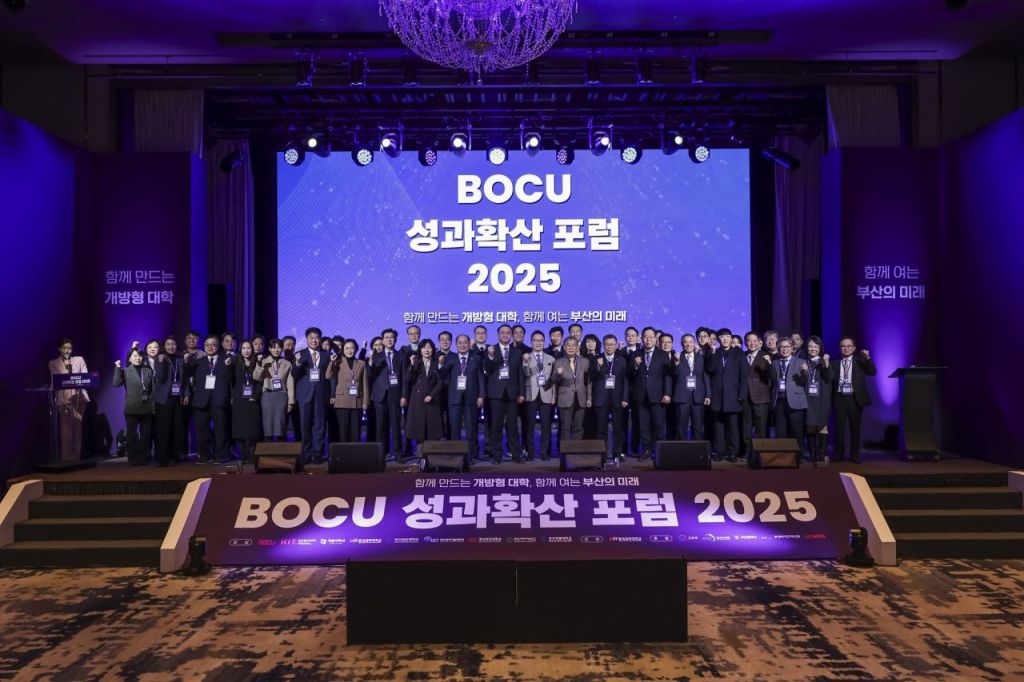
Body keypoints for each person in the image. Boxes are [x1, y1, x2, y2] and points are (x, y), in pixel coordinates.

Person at [482, 324, 525, 464]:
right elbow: (488, 370)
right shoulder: (491, 349)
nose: (505, 335)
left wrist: (522, 392)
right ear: (498, 334)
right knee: (496, 426)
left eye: (508, 333)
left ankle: (516, 455)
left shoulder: (517, 352)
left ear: (511, 335)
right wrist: (490, 356)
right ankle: (497, 456)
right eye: (502, 332)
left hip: (512, 393)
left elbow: (520, 374)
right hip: (496, 393)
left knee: (513, 426)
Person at [627, 327, 672, 459]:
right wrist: (635, 366)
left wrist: (667, 393)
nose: (648, 340)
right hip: (641, 395)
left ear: (655, 339)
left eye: (651, 337)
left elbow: (667, 376)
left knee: (659, 425)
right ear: (641, 338)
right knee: (643, 425)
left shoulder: (663, 354)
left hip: (658, 395)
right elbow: (629, 375)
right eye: (646, 337)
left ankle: (660, 452)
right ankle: (646, 450)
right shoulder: (635, 354)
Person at [705, 328, 748, 462]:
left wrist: (742, 394)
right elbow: (710, 369)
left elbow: (744, 375)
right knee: (718, 427)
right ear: (718, 339)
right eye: (722, 337)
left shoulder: (739, 353)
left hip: (733, 396)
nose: (725, 339)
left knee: (733, 428)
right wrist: (712, 354)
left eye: (727, 337)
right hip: (717, 396)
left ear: (731, 338)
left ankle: (733, 452)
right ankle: (719, 452)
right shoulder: (714, 352)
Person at [190, 334, 233, 463]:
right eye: (207, 345)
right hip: (201, 400)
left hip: (219, 399)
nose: (210, 347)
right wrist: (186, 362)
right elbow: (186, 374)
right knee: (202, 430)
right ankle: (204, 455)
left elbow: (231, 380)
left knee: (220, 429)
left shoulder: (227, 360)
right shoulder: (198, 362)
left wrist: (229, 366)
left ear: (218, 346)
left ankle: (219, 455)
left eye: (213, 344)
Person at [292, 326, 332, 464]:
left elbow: (330, 376)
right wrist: (297, 363)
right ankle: (306, 453)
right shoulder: (300, 354)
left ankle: (317, 453)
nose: (314, 340)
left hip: (321, 394)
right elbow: (294, 374)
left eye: (317, 338)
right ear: (307, 339)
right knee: (305, 425)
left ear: (320, 339)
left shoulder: (327, 354)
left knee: (320, 425)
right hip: (304, 395)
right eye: (311, 338)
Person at [443, 334, 486, 461]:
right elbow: (444, 378)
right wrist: (441, 366)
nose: (462, 345)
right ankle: (454, 455)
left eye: (465, 342)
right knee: (454, 429)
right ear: (456, 344)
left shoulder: (476, 358)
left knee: (471, 429)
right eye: (460, 343)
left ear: (469, 344)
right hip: (454, 399)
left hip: (471, 398)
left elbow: (480, 378)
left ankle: (471, 455)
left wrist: (481, 395)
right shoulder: (450, 358)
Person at [833, 337, 876, 464]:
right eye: (843, 346)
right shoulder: (834, 364)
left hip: (854, 399)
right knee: (839, 429)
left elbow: (872, 372)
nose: (846, 348)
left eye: (849, 346)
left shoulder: (860, 362)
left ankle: (854, 455)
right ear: (840, 348)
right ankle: (838, 454)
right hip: (839, 398)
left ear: (854, 348)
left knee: (855, 429)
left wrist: (867, 358)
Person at [49, 338, 90, 462]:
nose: (67, 350)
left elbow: (85, 377)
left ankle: (76, 459)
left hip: (79, 398)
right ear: (59, 349)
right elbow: (57, 381)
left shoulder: (79, 359)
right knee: (66, 431)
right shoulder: (53, 363)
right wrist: (68, 371)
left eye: (69, 348)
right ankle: (67, 459)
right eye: (64, 348)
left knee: (77, 429)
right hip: (64, 400)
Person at [113, 346, 154, 466]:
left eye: (140, 356)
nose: (138, 358)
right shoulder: (125, 371)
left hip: (147, 407)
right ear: (130, 359)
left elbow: (152, 389)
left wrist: (153, 405)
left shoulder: (147, 371)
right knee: (132, 435)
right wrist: (117, 368)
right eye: (135, 356)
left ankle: (143, 457)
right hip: (132, 408)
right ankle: (132, 458)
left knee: (145, 435)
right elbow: (116, 383)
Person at [403, 339, 446, 451]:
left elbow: (441, 382)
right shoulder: (416, 362)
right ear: (420, 350)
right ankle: (421, 456)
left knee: (433, 430)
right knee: (419, 430)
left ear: (433, 349)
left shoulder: (437, 363)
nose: (426, 350)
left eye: (429, 347)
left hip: (433, 400)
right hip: (417, 400)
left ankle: (433, 455)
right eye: (424, 348)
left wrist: (431, 395)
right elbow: (408, 379)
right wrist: (412, 365)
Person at [370, 328, 406, 460]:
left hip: (395, 394)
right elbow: (370, 375)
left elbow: (404, 377)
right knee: (380, 426)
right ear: (382, 340)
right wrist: (370, 364)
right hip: (379, 395)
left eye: (391, 337)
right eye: (386, 337)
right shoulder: (376, 356)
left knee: (396, 425)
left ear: (395, 339)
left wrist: (404, 395)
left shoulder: (401, 356)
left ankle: (398, 453)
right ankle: (381, 453)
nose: (389, 340)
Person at [591, 334, 629, 461]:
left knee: (618, 428)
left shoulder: (622, 360)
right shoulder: (596, 359)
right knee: (601, 429)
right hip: (601, 398)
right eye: (607, 344)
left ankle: (617, 453)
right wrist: (599, 367)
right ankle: (602, 454)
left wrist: (625, 398)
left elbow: (625, 380)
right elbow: (592, 378)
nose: (609, 347)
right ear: (603, 345)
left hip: (617, 398)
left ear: (616, 345)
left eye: (612, 344)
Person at [520, 331, 556, 461]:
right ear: (531, 342)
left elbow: (553, 380)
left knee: (546, 426)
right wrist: (525, 362)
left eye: (540, 340)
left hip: (546, 394)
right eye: (535, 340)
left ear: (544, 342)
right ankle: (530, 453)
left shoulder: (551, 359)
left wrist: (554, 396)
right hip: (531, 394)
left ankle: (544, 453)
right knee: (529, 426)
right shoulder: (526, 357)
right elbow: (525, 374)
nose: (538, 343)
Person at [152, 336, 186, 466]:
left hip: (177, 397)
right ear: (164, 346)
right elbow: (160, 378)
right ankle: (162, 457)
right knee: (163, 428)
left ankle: (175, 456)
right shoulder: (159, 358)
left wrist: (186, 394)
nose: (171, 346)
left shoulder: (180, 360)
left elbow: (184, 379)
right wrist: (161, 363)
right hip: (163, 398)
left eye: (173, 344)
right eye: (168, 344)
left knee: (176, 428)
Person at [328, 339, 369, 443]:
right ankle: (343, 452)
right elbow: (328, 375)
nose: (349, 351)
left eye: (352, 348)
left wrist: (365, 402)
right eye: (347, 348)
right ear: (343, 350)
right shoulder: (337, 362)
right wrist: (332, 362)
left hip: (357, 401)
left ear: (356, 350)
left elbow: (365, 384)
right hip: (342, 401)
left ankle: (354, 452)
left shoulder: (361, 363)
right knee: (343, 432)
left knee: (355, 432)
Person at [551, 337, 591, 443]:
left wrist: (589, 398)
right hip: (565, 399)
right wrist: (557, 374)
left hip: (581, 398)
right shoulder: (558, 362)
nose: (571, 347)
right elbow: (553, 381)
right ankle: (565, 451)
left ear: (577, 347)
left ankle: (576, 450)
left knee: (578, 428)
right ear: (564, 347)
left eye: (573, 345)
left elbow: (588, 382)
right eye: (568, 345)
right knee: (565, 429)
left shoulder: (585, 362)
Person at [671, 334, 710, 441]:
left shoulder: (701, 358)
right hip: (682, 397)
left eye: (691, 342)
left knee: (698, 427)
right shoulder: (677, 357)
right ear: (681, 344)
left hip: (698, 397)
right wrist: (676, 363)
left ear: (694, 343)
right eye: (685, 342)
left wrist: (708, 395)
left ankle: (697, 449)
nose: (688, 344)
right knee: (681, 427)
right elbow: (673, 374)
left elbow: (705, 376)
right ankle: (681, 448)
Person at [254, 338, 294, 442]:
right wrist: (260, 365)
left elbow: (290, 384)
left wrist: (291, 402)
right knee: (268, 425)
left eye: (279, 347)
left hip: (282, 396)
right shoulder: (263, 361)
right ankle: (268, 449)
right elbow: (256, 377)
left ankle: (281, 450)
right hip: (268, 395)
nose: (276, 350)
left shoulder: (287, 363)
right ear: (269, 349)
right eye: (273, 347)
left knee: (281, 425)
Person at [770, 338, 807, 446]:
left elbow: (805, 381)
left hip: (796, 401)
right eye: (782, 347)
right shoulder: (775, 363)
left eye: (787, 347)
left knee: (796, 431)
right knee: (780, 431)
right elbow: (772, 382)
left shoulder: (801, 362)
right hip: (779, 401)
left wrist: (805, 372)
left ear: (792, 349)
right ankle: (781, 454)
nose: (784, 349)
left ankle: (797, 455)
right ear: (778, 349)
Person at [230, 340, 262, 464]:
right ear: (240, 350)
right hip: (239, 399)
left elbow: (260, 381)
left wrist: (256, 395)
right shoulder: (235, 362)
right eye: (243, 348)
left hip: (253, 399)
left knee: (252, 428)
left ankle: (252, 456)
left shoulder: (257, 362)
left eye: (248, 348)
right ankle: (243, 456)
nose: (246, 351)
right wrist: (232, 396)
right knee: (240, 427)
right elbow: (230, 381)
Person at [742, 331, 772, 460]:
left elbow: (772, 375)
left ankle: (761, 454)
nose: (752, 343)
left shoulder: (765, 356)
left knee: (761, 428)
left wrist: (769, 363)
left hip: (761, 397)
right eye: (749, 340)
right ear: (745, 343)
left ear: (759, 342)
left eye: (755, 340)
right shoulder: (742, 356)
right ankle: (747, 452)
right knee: (746, 426)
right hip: (745, 397)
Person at [803, 336, 832, 465]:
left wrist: (826, 363)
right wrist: (803, 372)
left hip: (822, 398)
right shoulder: (804, 361)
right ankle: (812, 454)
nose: (813, 349)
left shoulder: (824, 360)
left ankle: (821, 454)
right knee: (810, 426)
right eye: (810, 346)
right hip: (807, 398)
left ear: (820, 348)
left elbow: (829, 377)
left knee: (822, 426)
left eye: (815, 346)